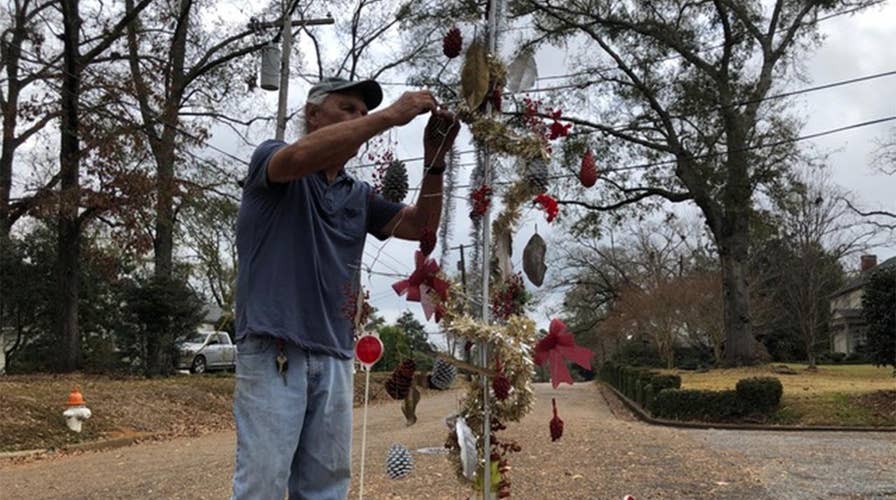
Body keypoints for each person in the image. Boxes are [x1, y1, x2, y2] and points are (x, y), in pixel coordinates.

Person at [231, 76, 460, 500]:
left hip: (336, 353)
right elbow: (299, 157)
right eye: (348, 109)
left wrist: (435, 160)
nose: (360, 117)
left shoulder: (359, 196)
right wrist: (390, 116)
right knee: (262, 485)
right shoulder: (274, 161)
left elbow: (421, 226)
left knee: (326, 488)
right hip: (272, 348)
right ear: (313, 115)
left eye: (364, 112)